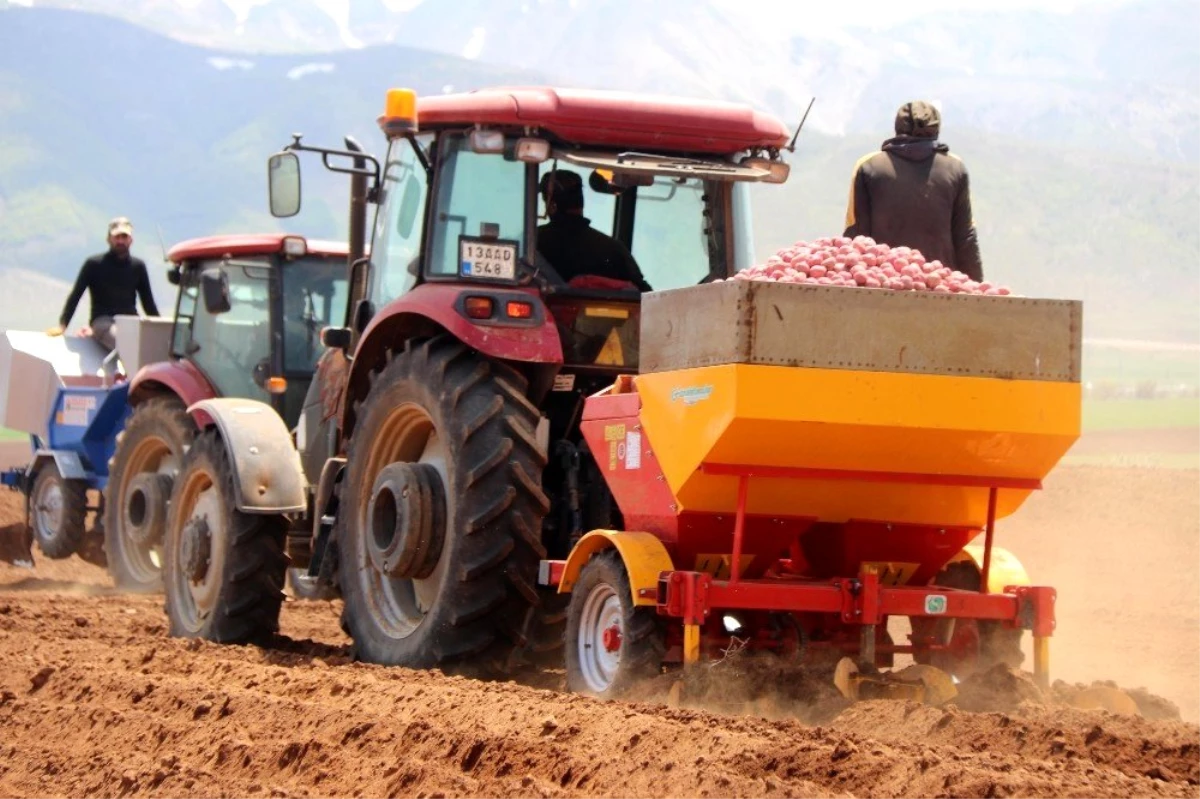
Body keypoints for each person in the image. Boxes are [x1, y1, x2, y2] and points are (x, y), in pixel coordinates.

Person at [843, 101, 983, 282]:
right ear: (936, 129)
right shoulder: (954, 168)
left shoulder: (869, 166)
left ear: (897, 128)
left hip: (881, 287)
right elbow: (965, 236)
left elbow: (856, 233)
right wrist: (977, 291)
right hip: (941, 288)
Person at [47, 217, 160, 351]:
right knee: (124, 343)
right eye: (117, 237)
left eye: (124, 237)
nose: (120, 241)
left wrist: (163, 330)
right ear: (109, 239)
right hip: (102, 321)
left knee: (154, 347)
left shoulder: (138, 266)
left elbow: (148, 303)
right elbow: (76, 295)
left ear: (131, 240)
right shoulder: (94, 264)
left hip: (131, 322)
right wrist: (63, 325)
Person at [536, 169, 652, 291]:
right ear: (581, 204)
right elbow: (644, 294)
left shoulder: (533, 243)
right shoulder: (613, 249)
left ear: (552, 205)